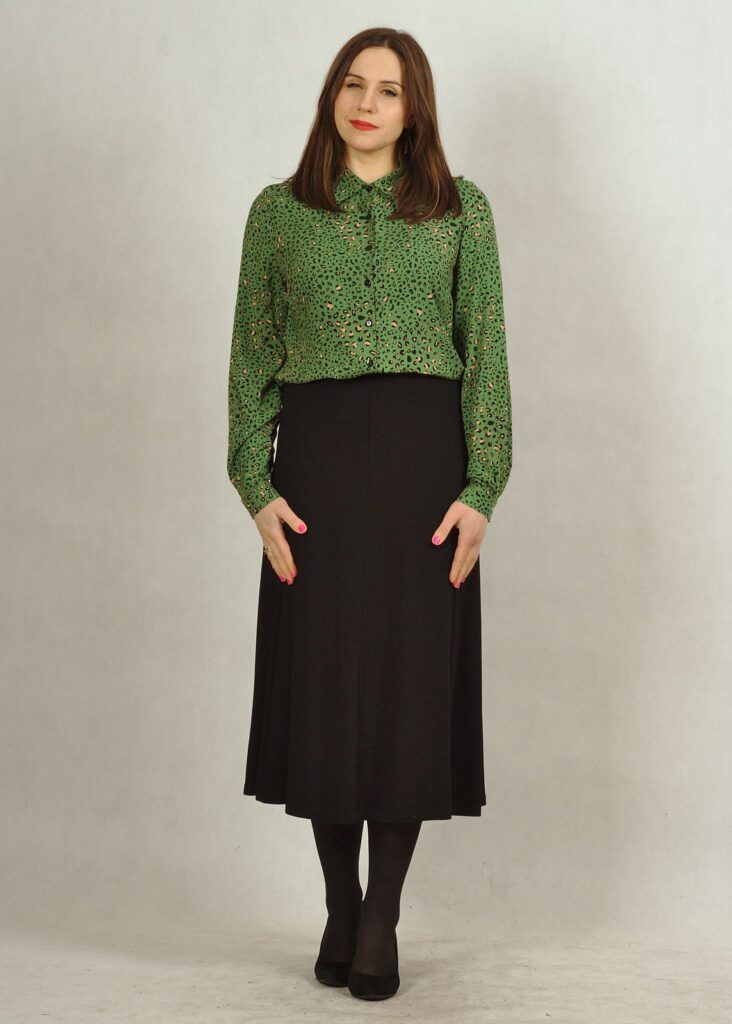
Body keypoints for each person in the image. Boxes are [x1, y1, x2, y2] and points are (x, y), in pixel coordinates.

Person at [227, 27, 512, 1001]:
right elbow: (250, 357)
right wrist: (256, 485)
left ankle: (382, 911)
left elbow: (486, 353)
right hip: (318, 473)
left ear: (414, 107)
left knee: (405, 694)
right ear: (332, 95)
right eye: (354, 84)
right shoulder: (278, 214)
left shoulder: (461, 210)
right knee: (328, 692)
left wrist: (481, 489)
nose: (366, 104)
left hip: (425, 473)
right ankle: (338, 900)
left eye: (389, 90)